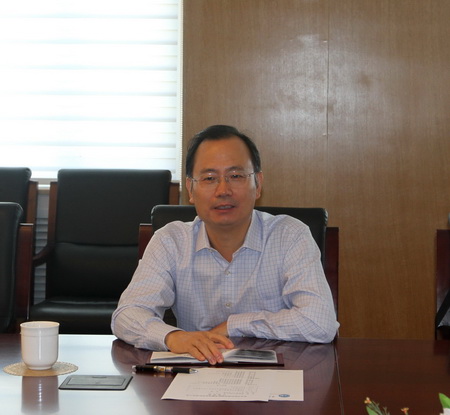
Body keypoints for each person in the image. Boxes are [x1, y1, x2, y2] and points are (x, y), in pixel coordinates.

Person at [111, 125, 339, 364]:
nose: (223, 190)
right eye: (209, 178)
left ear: (258, 183)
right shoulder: (171, 241)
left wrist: (234, 324)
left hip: (278, 373)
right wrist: (172, 337)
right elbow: (126, 315)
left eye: (236, 176)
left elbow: (320, 323)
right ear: (190, 189)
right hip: (197, 374)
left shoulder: (290, 236)